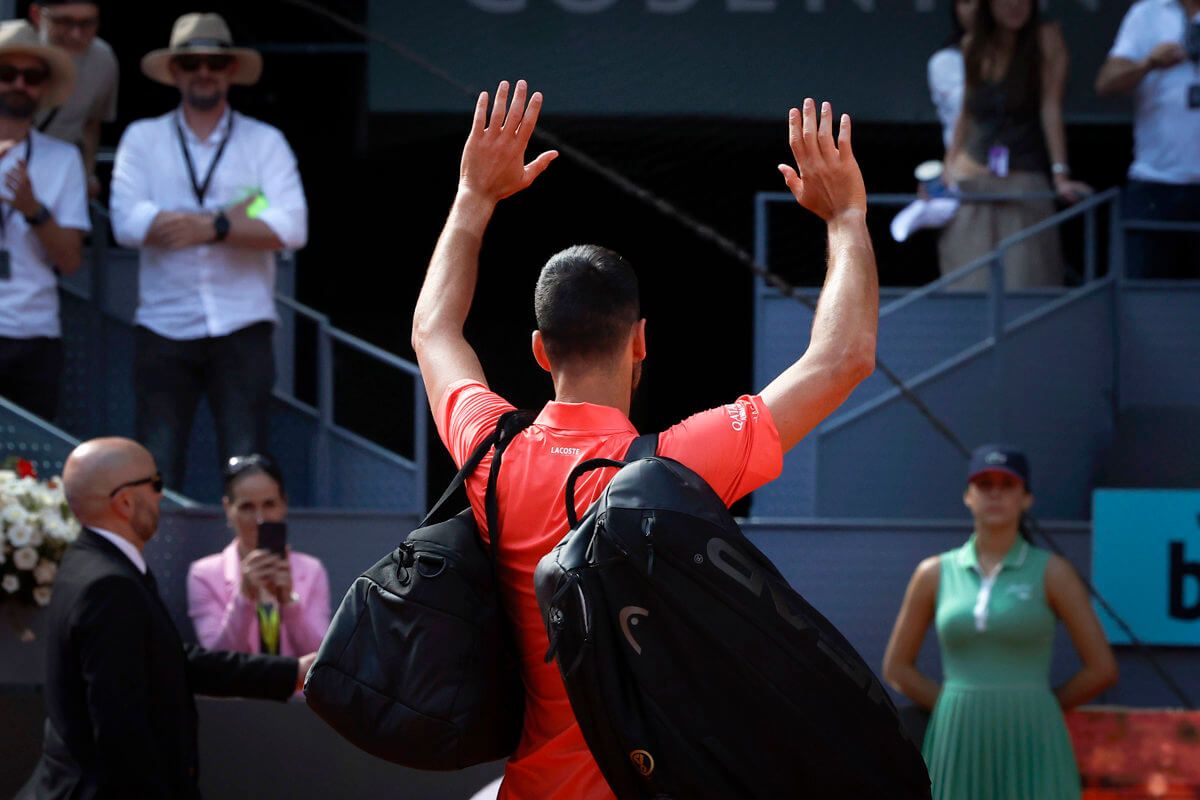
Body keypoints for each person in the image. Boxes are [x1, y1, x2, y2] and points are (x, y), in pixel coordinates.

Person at [411, 80, 878, 800]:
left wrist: (474, 195)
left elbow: (433, 331)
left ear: (539, 350)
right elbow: (843, 357)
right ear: (642, 343)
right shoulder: (679, 466)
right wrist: (846, 216)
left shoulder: (490, 453)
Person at [19, 437, 316, 799]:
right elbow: (121, 736)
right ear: (125, 502)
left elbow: (170, 661)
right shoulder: (109, 585)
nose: (161, 495)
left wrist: (292, 672)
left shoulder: (90, 561)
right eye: (155, 484)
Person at [110, 12, 308, 491]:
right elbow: (125, 223)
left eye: (214, 63)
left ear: (230, 71)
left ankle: (255, 569)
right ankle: (151, 569)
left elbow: (293, 227)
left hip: (242, 325)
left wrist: (212, 226)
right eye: (192, 62)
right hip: (165, 323)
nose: (204, 71)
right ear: (175, 71)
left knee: (251, 468)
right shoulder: (143, 138)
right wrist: (236, 222)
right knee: (155, 467)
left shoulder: (264, 141)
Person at [882, 445, 1119, 800]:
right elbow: (897, 668)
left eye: (1007, 484)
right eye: (984, 483)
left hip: (1035, 736)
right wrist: (957, 704)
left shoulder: (1053, 572)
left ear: (1026, 499)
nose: (995, 493)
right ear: (967, 496)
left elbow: (1101, 669)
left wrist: (1036, 704)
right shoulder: (933, 573)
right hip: (956, 737)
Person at [939, 0, 1092, 290]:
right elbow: (967, 112)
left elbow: (1050, 107)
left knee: (1026, 282)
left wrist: (1060, 174)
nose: (1014, 5)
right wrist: (949, 165)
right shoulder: (974, 43)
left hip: (1023, 176)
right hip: (973, 177)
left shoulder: (1046, 37)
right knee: (968, 283)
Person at [0, 20, 88, 422]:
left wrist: (34, 209)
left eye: (31, 76)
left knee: (27, 472)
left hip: (32, 335)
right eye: (7, 74)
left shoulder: (62, 158)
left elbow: (70, 261)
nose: (19, 84)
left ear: (42, 87)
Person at [1095, 0, 1200, 279]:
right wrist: (1149, 63)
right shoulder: (1148, 13)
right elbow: (1106, 83)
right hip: (1156, 182)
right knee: (1145, 300)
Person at [187, 453, 331, 657]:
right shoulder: (203, 574)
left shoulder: (312, 570)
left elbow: (321, 657)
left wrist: (289, 603)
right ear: (228, 509)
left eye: (269, 504)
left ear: (284, 504)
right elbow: (217, 660)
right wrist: (244, 597)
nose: (259, 518)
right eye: (247, 507)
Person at [28, 0, 117, 197]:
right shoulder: (13, 52)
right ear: (36, 15)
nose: (76, 34)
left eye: (87, 23)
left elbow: (91, 124)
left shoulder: (102, 61)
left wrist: (86, 174)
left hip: (60, 177)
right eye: (64, 22)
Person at [928, 0, 979, 151]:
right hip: (964, 161)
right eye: (967, 1)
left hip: (1019, 163)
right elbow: (961, 113)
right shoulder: (944, 62)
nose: (975, 8)